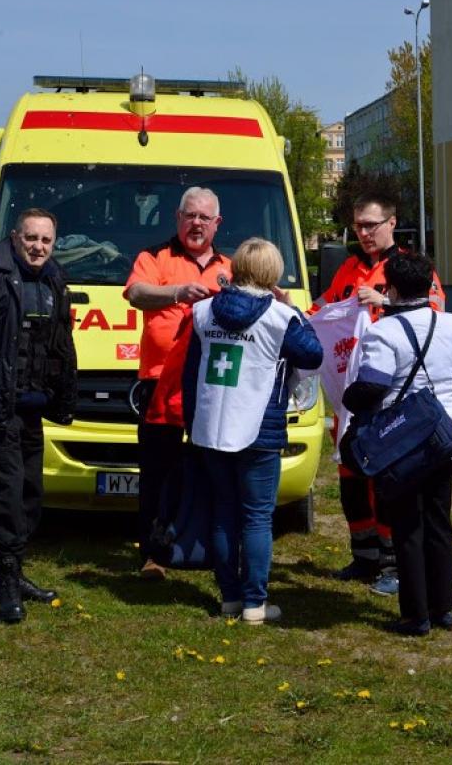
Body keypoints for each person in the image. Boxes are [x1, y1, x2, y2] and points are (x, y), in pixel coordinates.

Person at [310, 191, 445, 595]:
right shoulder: (349, 268)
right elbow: (325, 308)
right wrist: (294, 310)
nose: (364, 233)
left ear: (391, 222)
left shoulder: (410, 267)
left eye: (371, 225)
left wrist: (385, 302)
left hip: (393, 392)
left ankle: (392, 563)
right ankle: (364, 556)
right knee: (351, 473)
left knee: (386, 476)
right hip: (352, 389)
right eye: (358, 226)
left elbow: (434, 310)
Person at [183, 238, 323, 624]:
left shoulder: (202, 311)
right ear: (272, 274)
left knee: (223, 513)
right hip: (259, 427)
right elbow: (313, 354)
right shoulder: (280, 317)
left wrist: (191, 423)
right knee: (258, 517)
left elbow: (191, 373)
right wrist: (295, 310)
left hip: (212, 426)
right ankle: (254, 603)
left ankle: (229, 597)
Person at [342, 252, 452, 635]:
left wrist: (348, 397)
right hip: (444, 436)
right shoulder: (451, 324)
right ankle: (444, 609)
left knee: (408, 526)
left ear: (392, 288)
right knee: (439, 521)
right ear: (428, 285)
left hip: (402, 442)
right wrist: (439, 400)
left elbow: (371, 386)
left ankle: (415, 614)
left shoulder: (383, 332)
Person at [0, 208, 77, 624]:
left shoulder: (55, 279)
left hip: (33, 408)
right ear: (15, 238)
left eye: (46, 241)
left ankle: (17, 569)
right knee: (7, 497)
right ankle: (6, 583)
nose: (38, 247)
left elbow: (60, 341)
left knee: (31, 494)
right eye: (31, 238)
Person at [124, 187, 231, 577]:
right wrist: (176, 292)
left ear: (217, 223)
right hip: (161, 386)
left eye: (204, 217)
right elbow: (136, 293)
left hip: (214, 387)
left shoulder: (230, 266)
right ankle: (153, 554)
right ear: (177, 217)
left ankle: (202, 547)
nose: (196, 223)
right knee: (158, 474)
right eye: (190, 215)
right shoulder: (154, 257)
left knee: (214, 469)